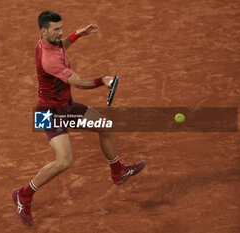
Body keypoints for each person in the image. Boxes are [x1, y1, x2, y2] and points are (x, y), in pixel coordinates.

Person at [11, 10, 146, 226]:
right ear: (43, 30)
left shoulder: (48, 42)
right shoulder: (49, 59)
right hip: (49, 114)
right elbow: (79, 82)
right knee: (64, 161)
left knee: (105, 126)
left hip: (67, 106)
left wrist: (76, 34)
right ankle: (23, 195)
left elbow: (61, 44)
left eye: (61, 28)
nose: (60, 32)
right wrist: (103, 80)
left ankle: (118, 171)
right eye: (56, 29)